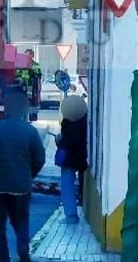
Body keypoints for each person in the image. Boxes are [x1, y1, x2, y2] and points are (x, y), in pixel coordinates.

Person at [0, 91, 46, 262]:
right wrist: (29, 175)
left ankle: (3, 257)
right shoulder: (30, 132)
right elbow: (40, 159)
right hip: (21, 187)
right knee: (21, 220)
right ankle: (22, 246)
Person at [56, 95, 89, 224]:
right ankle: (80, 206)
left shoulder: (69, 122)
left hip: (69, 159)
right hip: (83, 157)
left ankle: (71, 215)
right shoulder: (85, 119)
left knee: (67, 186)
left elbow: (68, 142)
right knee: (81, 184)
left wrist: (59, 140)